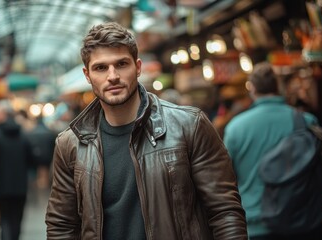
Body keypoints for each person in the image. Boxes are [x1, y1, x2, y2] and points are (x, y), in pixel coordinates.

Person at [45, 22, 248, 239]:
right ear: (87, 75)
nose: (112, 76)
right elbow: (62, 225)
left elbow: (225, 211)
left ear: (138, 67)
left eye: (122, 64)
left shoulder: (189, 125)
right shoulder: (71, 143)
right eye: (101, 67)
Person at [223, 62, 322, 240]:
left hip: (258, 227)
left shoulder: (235, 129)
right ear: (279, 87)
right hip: (306, 223)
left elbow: (225, 180)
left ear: (252, 89)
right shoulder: (306, 121)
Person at [0, 99, 35, 240]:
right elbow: (31, 160)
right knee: (17, 219)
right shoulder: (24, 136)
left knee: (5, 218)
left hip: (2, 185)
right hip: (21, 186)